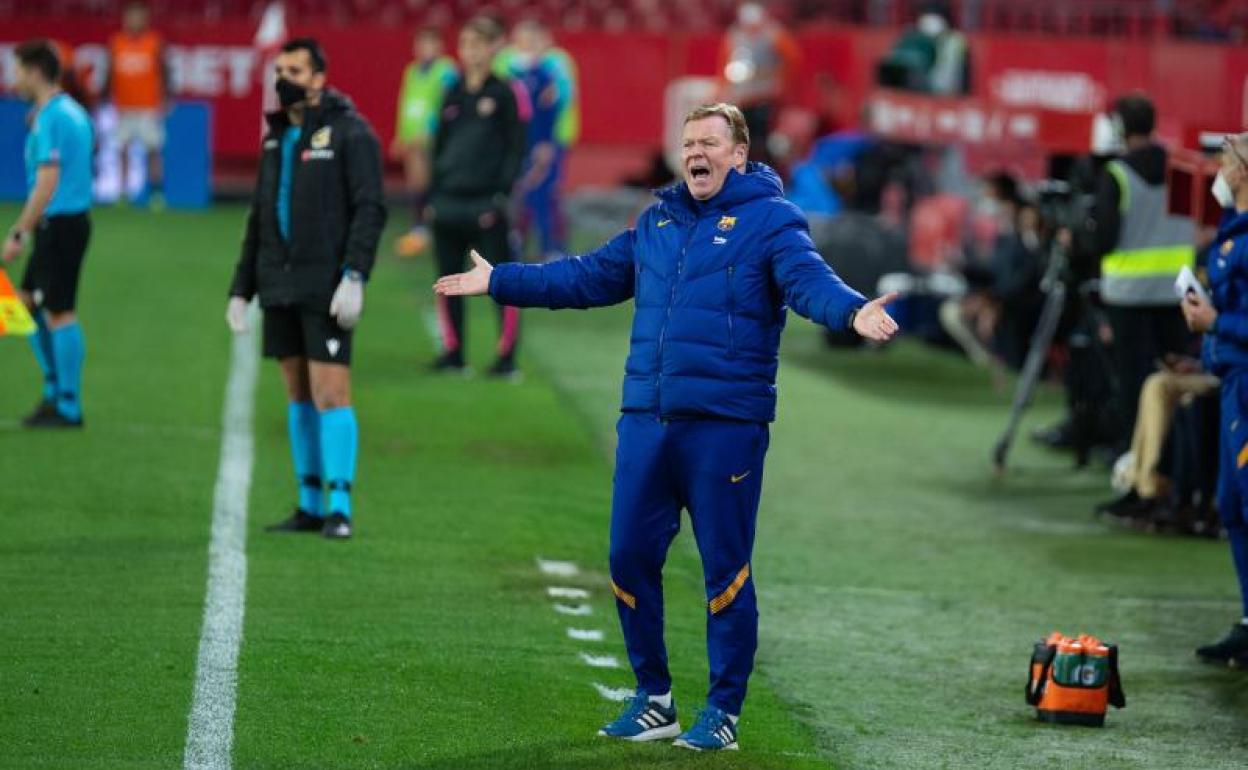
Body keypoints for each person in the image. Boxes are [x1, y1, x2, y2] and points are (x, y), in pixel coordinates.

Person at [434, 103, 898, 751]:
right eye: (688, 144)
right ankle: (654, 698)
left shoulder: (771, 221)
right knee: (627, 557)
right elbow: (588, 276)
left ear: (739, 154)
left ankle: (724, 711)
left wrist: (851, 313)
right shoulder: (657, 219)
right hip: (646, 422)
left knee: (725, 572)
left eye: (709, 142)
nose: (696, 153)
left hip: (724, 427)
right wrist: (502, 281)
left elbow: (808, 282)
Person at [225, 38, 386, 540]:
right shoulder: (276, 138)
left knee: (331, 392)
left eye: (294, 69)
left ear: (319, 78)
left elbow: (370, 208)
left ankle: (340, 505)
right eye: (279, 68)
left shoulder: (350, 133)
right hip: (279, 282)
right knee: (297, 392)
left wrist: (355, 274)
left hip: (326, 285)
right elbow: (260, 217)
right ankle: (309, 502)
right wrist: (241, 287)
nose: (284, 77)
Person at [1083, 94, 1196, 455]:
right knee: (1179, 380)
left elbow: (1103, 239)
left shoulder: (1116, 174)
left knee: (1134, 382)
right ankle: (1176, 460)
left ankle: (1136, 460)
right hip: (1175, 292)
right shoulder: (1180, 167)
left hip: (1128, 295)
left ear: (1120, 128)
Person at [2, 40, 94, 429]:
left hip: (59, 223)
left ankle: (67, 403)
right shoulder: (69, 111)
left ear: (35, 71)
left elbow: (48, 180)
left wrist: (18, 231)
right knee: (24, 304)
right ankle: (55, 391)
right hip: (65, 222)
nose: (13, 78)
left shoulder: (51, 118)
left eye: (18, 69)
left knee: (59, 310)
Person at [428, 16, 525, 377]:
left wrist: (501, 194)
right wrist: (434, 196)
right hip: (448, 201)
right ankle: (453, 353)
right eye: (466, 43)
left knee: (502, 281)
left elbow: (517, 148)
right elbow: (439, 146)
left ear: (493, 47)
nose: (471, 51)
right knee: (448, 281)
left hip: (487, 203)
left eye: (479, 44)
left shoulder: (505, 92)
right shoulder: (452, 91)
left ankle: (506, 357)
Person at [1185, 132, 1248, 665]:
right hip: (1232, 380)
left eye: (1226, 159)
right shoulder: (1234, 231)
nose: (1218, 169)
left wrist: (1216, 321)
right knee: (1232, 505)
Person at [500, 18, 572, 263]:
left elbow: (551, 109)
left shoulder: (549, 71)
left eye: (531, 41)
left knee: (543, 193)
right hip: (519, 145)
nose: (526, 46)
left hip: (542, 145)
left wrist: (545, 144)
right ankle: (518, 244)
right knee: (520, 195)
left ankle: (552, 246)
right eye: (522, 41)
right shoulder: (512, 73)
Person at [392, 26, 459, 259]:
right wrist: (401, 135)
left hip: (435, 138)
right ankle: (419, 229)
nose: (425, 49)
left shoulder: (447, 71)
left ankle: (433, 228)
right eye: (421, 44)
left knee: (432, 181)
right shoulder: (412, 71)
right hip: (413, 137)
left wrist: (430, 131)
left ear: (439, 46)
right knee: (415, 183)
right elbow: (406, 103)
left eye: (430, 44)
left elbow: (447, 105)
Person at [716, 2, 800, 164]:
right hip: (743, 96)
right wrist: (722, 88)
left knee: (764, 138)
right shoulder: (734, 36)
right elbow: (725, 65)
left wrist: (780, 81)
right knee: (743, 135)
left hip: (765, 96)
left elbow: (792, 60)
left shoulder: (774, 35)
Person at [105, 0, 169, 207]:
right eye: (130, 15)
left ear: (145, 18)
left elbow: (165, 72)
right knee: (122, 149)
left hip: (148, 106)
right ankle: (123, 194)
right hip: (123, 106)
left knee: (153, 149)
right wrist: (105, 97)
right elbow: (109, 73)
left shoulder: (154, 42)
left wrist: (167, 98)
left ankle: (156, 193)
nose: (134, 20)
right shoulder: (116, 42)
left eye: (138, 15)